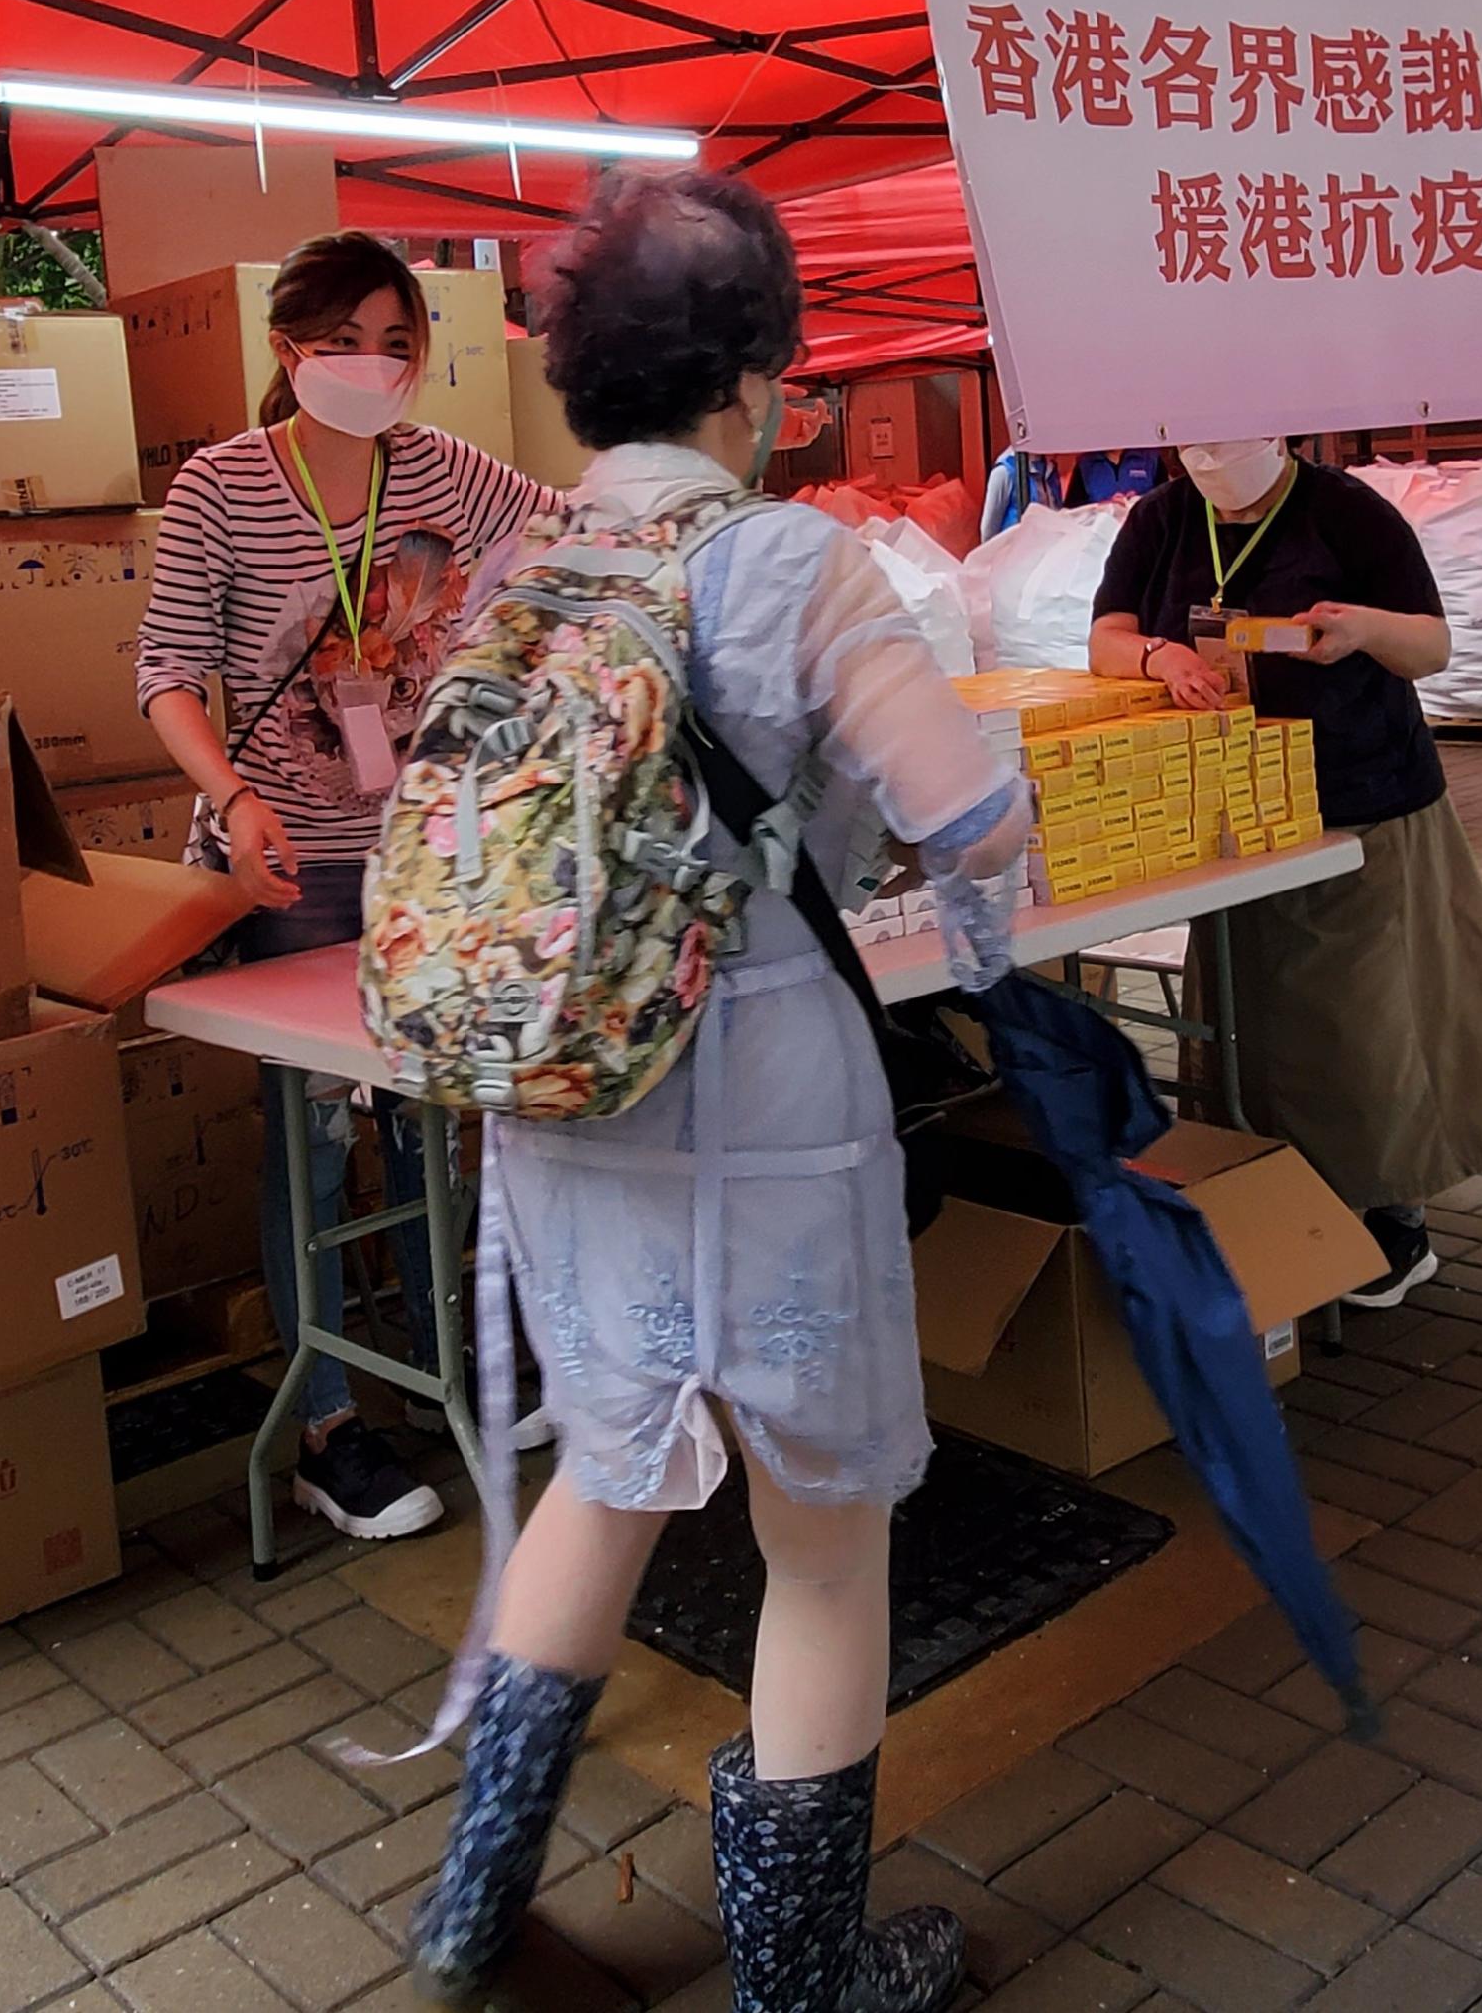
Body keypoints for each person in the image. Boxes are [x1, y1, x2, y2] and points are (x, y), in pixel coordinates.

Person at [408, 172, 1027, 2009]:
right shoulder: (792, 561)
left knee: (605, 1472)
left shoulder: (519, 566)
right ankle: (800, 1979)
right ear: (755, 376)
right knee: (823, 1546)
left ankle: (466, 1903)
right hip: (765, 1098)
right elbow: (972, 813)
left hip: (564, 1090)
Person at [138, 232, 555, 1544]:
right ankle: (327, 1425)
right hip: (294, 867)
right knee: (317, 1139)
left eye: (398, 344)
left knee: (452, 1110)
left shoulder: (444, 468)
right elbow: (164, 674)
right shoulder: (220, 486)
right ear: (285, 350)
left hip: (430, 859)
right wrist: (235, 799)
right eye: (344, 343)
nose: (374, 369)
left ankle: (466, 1366)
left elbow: (560, 543)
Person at [1089, 439, 1482, 1303]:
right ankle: (1266, 1199)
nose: (1215, 461)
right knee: (1251, 1017)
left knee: (1368, 1025)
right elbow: (1106, 637)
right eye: (1197, 442)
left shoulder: (1349, 511)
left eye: (1232, 440)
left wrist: (1360, 629)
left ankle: (1390, 1218)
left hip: (1363, 798)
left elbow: (1432, 646)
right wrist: (1162, 657)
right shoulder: (1161, 517)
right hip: (1231, 815)